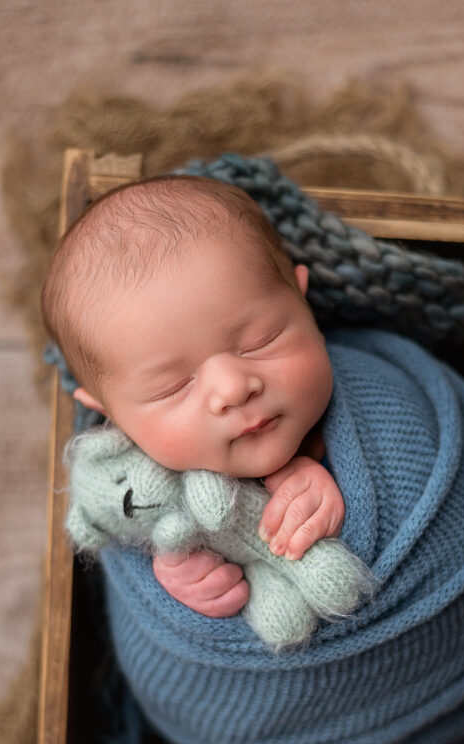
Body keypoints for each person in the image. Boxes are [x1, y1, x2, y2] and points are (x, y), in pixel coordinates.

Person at [42, 175, 345, 619]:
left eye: (261, 340)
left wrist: (330, 479)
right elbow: (145, 597)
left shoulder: (370, 402)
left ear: (304, 301)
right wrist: (181, 580)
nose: (232, 389)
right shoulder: (135, 497)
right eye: (173, 386)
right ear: (113, 417)